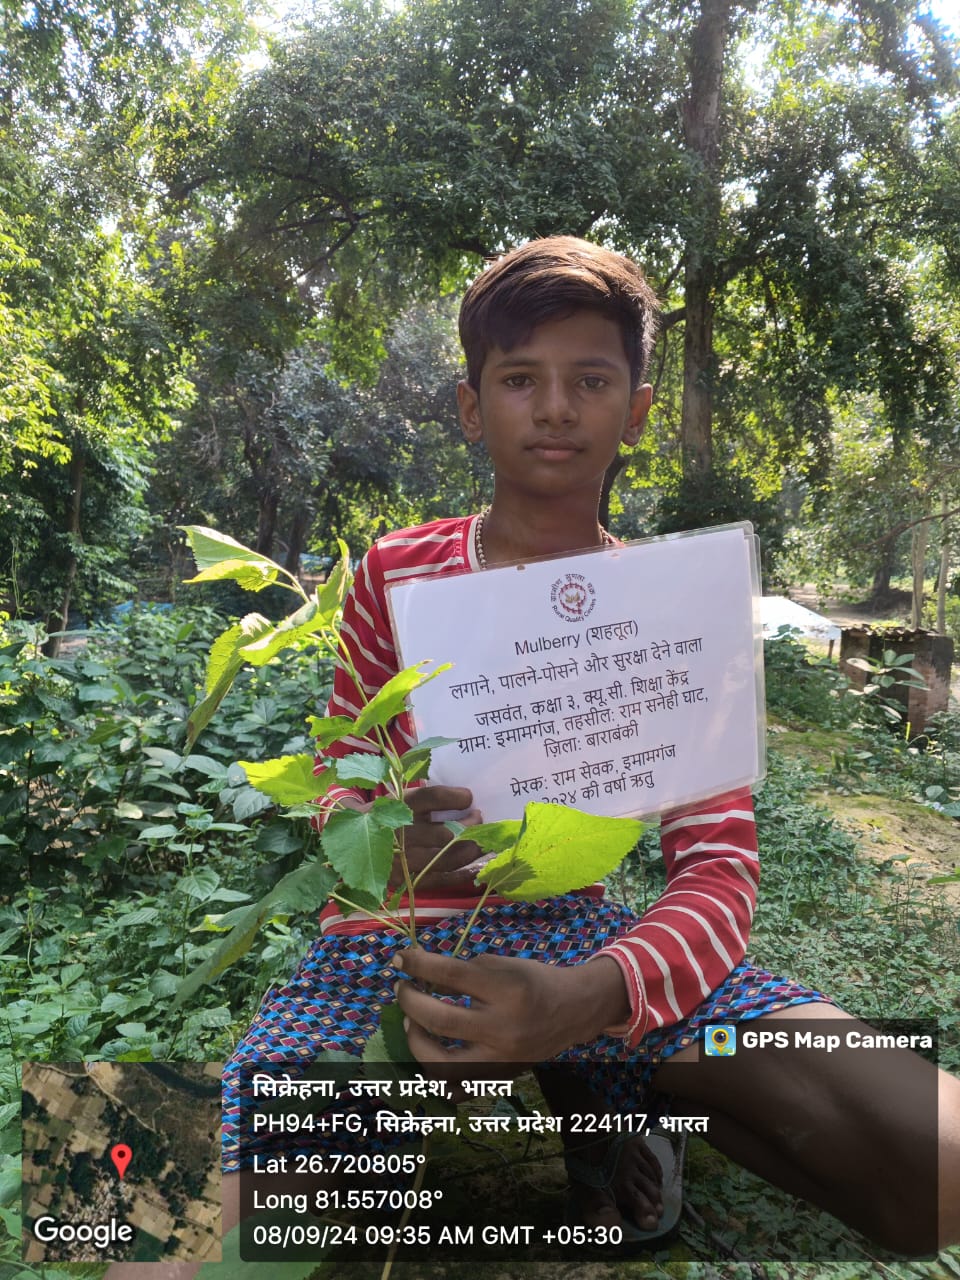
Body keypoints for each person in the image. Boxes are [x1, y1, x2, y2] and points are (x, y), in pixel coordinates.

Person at [102, 237, 959, 1280]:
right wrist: (373, 834)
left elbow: (719, 866)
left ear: (636, 411)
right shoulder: (396, 572)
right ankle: (576, 1096)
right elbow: (342, 768)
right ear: (472, 406)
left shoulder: (679, 603)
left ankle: (626, 1089)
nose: (555, 407)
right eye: (520, 379)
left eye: (590, 379)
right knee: (147, 1237)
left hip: (597, 942)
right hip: (393, 939)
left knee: (940, 1163)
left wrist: (595, 994)